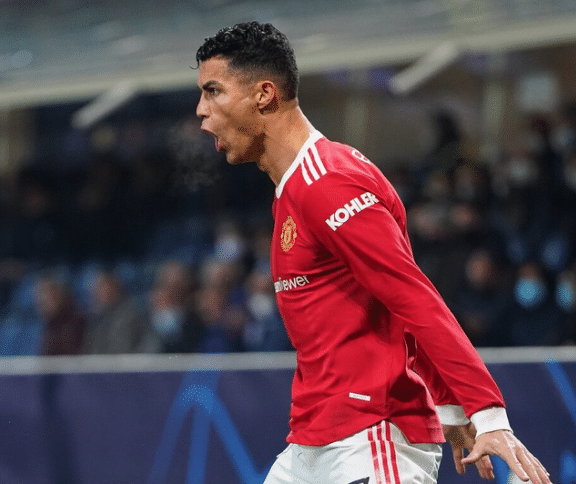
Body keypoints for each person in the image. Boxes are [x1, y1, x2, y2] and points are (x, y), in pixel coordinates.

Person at [194, 22, 550, 484]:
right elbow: (384, 306)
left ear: (264, 94)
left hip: (370, 440)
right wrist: (447, 404)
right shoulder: (294, 189)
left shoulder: (328, 183)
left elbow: (411, 295)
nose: (201, 110)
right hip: (313, 443)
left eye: (213, 91)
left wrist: (487, 412)